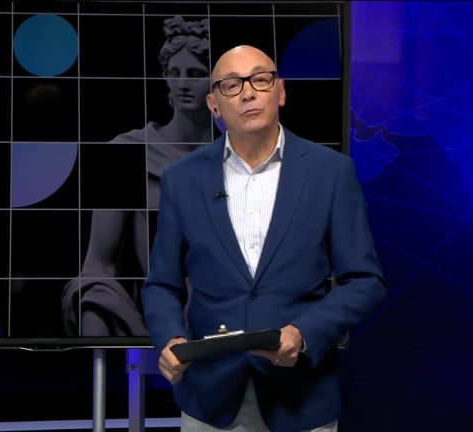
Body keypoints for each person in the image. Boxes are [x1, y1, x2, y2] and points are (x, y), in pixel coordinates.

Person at [141, 44, 387, 432]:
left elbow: (365, 280)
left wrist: (304, 334)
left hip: (302, 397)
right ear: (214, 105)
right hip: (209, 398)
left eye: (260, 79)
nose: (248, 93)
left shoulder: (331, 172)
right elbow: (161, 284)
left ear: (281, 91)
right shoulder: (181, 178)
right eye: (231, 84)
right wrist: (170, 338)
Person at [62, 16, 213, 336]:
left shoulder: (234, 159)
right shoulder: (128, 152)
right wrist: (95, 309)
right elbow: (99, 265)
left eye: (196, 74)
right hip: (150, 318)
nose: (182, 84)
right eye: (174, 73)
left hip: (220, 319)